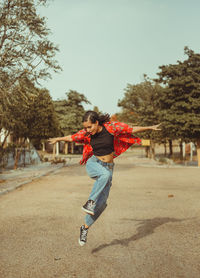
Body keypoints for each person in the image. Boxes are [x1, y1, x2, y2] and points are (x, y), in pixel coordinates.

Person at [48, 110, 161, 246]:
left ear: (96, 123)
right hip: (93, 163)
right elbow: (72, 137)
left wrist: (149, 127)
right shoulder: (87, 133)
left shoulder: (111, 128)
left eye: (90, 127)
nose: (87, 130)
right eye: (85, 128)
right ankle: (90, 201)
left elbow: (130, 129)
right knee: (104, 176)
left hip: (108, 166)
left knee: (102, 204)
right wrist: (58, 139)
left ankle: (85, 227)